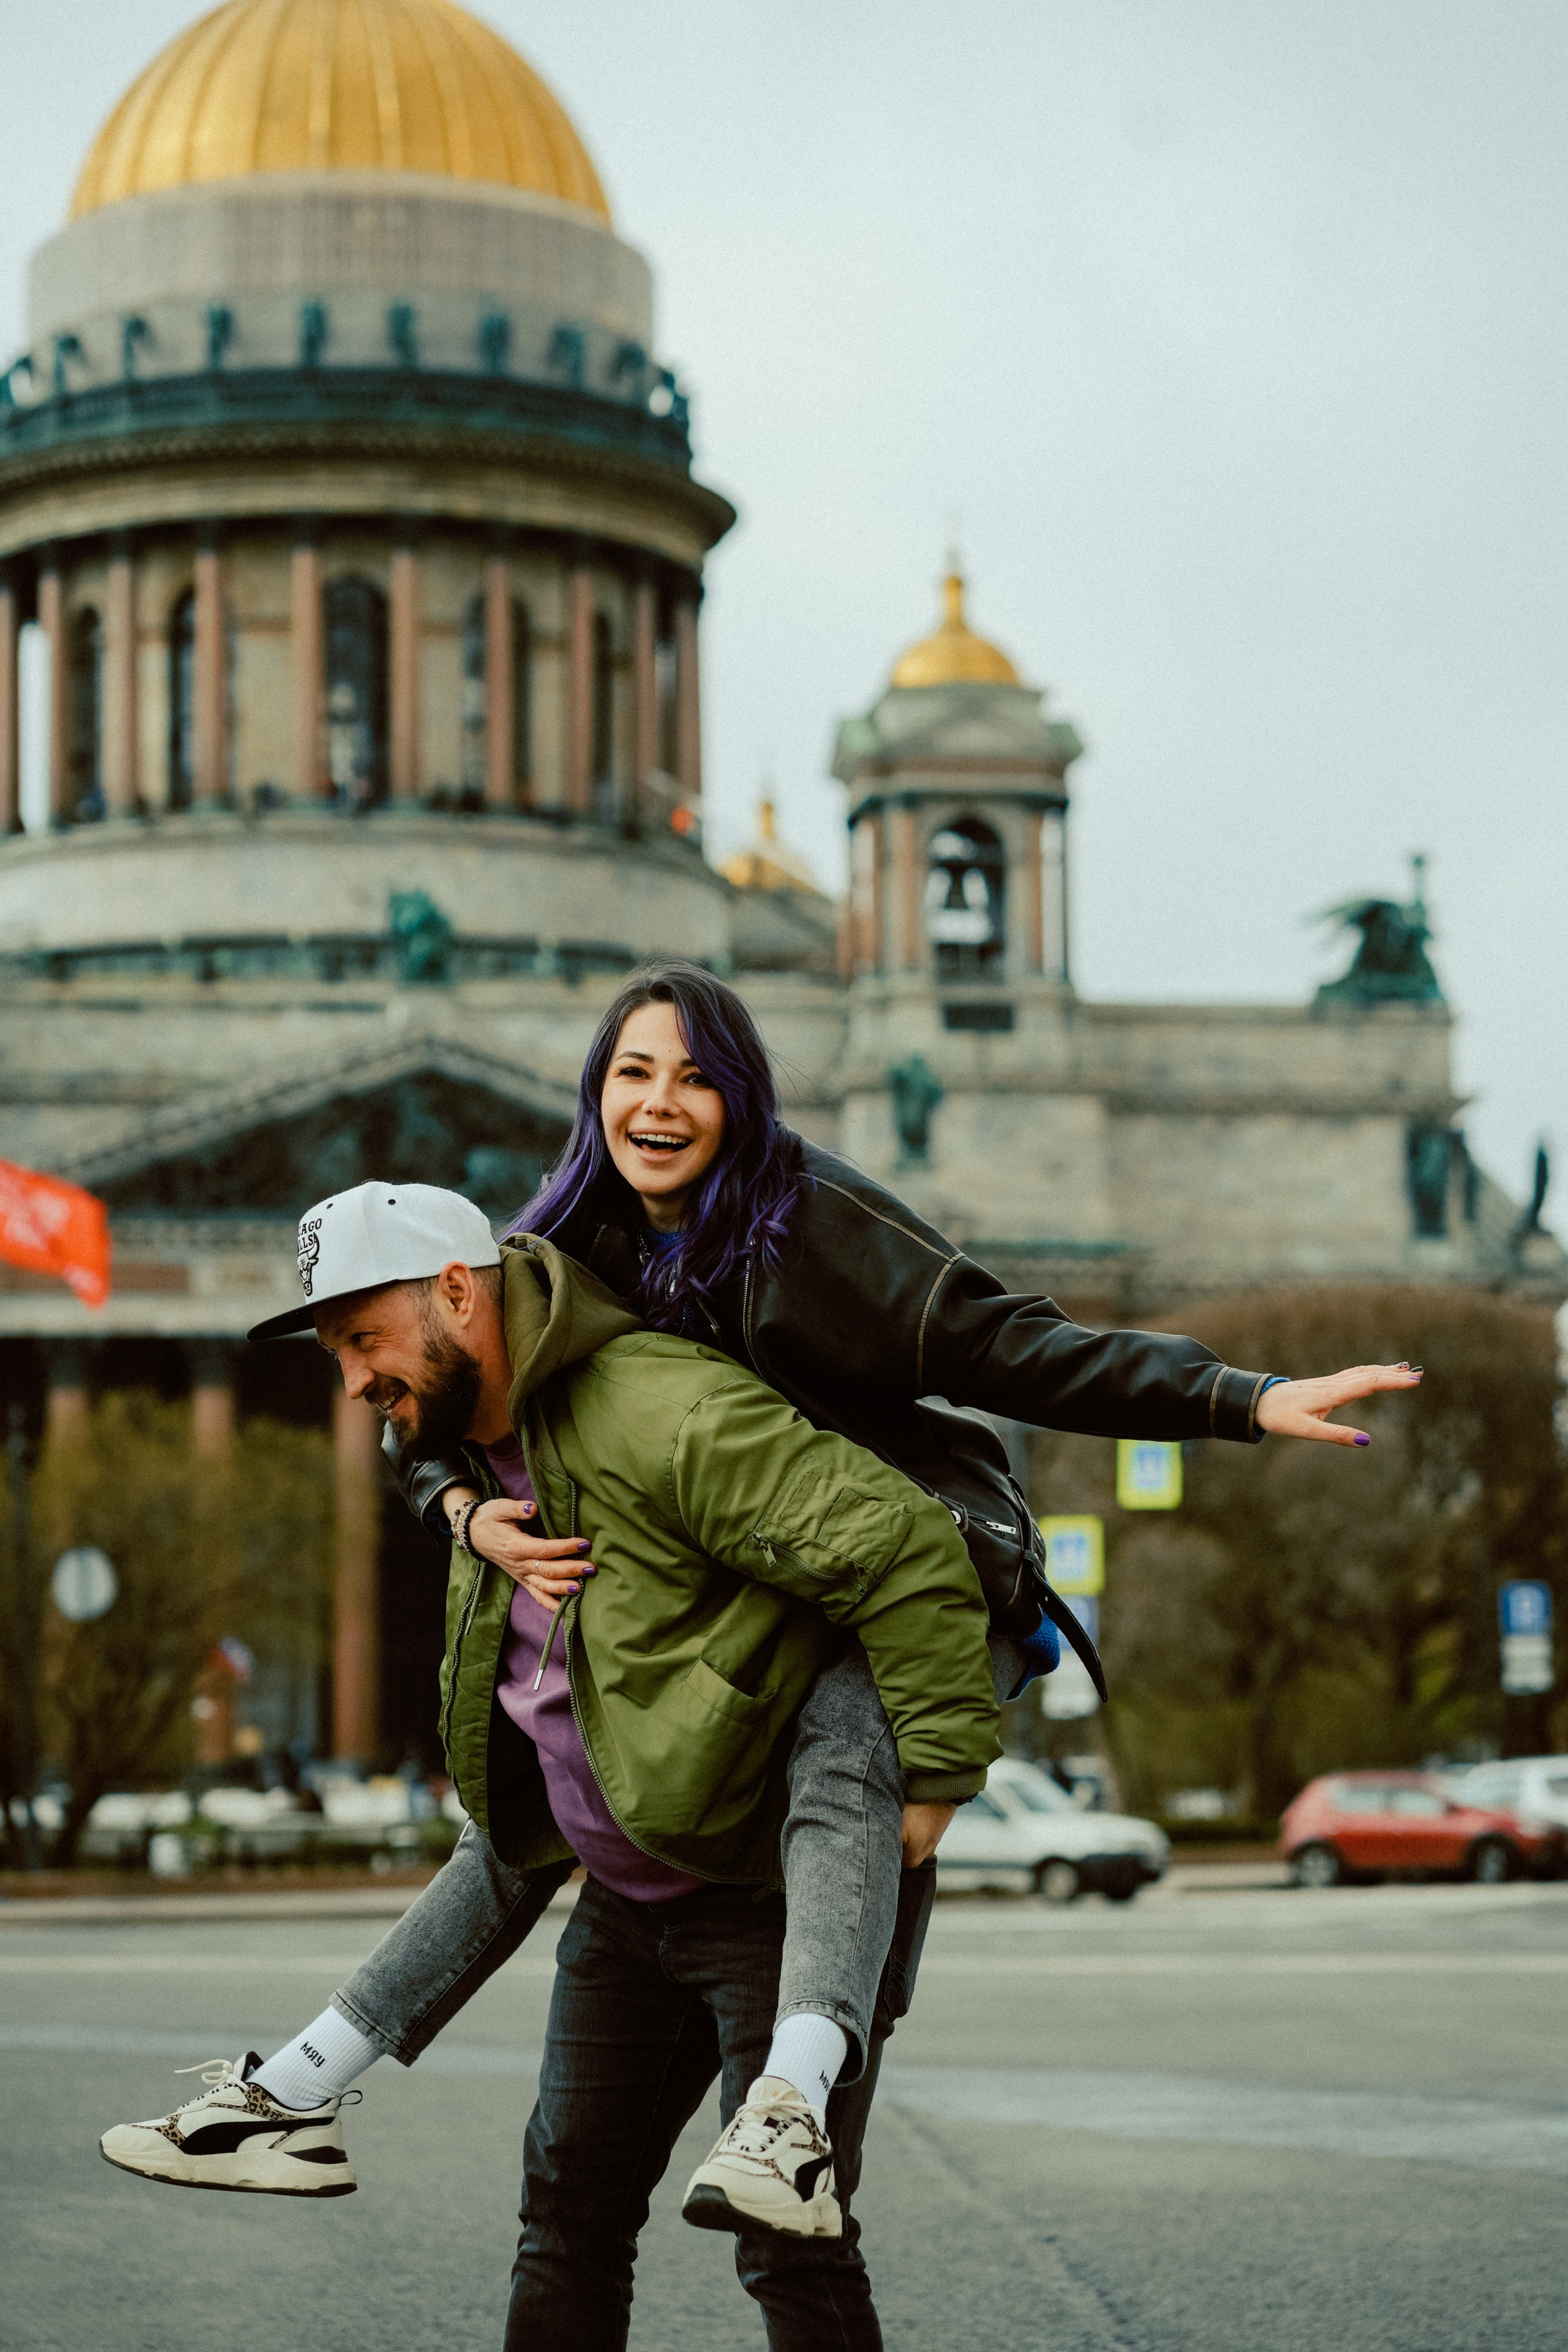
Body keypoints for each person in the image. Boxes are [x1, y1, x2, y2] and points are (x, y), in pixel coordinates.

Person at [104, 965, 1419, 2244]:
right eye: (630, 1073)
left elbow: (1016, 1350)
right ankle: (292, 2090)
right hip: (722, 1580)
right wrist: (459, 1509)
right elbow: (425, 1380)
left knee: (847, 1743)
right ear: (593, 1096)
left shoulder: (818, 1227)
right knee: (536, 1774)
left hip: (888, 1565)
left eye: (693, 1077)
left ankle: (787, 2104)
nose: (657, 1104)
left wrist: (1235, 1399)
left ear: (741, 1097)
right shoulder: (562, 1241)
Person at [102, 1182, 998, 2351]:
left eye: (366, 1342)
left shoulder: (658, 1411)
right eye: (336, 1355)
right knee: (567, 2221)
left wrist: (931, 1782)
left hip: (776, 1900)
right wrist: (461, 1511)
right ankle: (291, 2092)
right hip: (624, 1908)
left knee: (789, 2250)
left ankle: (293, 2092)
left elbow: (908, 1553)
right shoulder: (468, 1449)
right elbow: (429, 1465)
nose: (356, 1384)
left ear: (461, 1293)